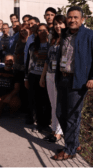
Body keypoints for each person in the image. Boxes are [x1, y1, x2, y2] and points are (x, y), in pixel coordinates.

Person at [52, 6, 93, 160]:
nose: (72, 20)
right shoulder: (64, 34)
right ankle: (74, 143)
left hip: (78, 82)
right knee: (60, 114)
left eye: (76, 17)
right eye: (70, 17)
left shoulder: (90, 35)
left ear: (83, 19)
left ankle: (69, 150)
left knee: (72, 116)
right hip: (62, 79)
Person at [39, 15, 66, 143]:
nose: (58, 26)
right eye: (56, 24)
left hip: (61, 76)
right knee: (53, 104)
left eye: (60, 23)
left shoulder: (68, 39)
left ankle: (59, 133)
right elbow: (47, 60)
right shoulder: (53, 40)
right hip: (50, 74)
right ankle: (54, 130)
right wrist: (43, 76)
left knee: (59, 104)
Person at [25, 24, 51, 131]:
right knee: (36, 100)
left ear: (48, 32)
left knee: (47, 101)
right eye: (40, 30)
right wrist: (26, 78)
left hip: (47, 76)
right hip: (33, 76)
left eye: (44, 30)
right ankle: (40, 123)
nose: (42, 32)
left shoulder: (51, 45)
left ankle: (47, 123)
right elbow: (28, 62)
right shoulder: (32, 46)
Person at [0, 54, 20, 119]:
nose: (8, 62)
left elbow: (17, 88)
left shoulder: (16, 72)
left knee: (15, 103)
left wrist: (9, 96)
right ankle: (1, 108)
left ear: (13, 61)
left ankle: (10, 111)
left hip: (10, 96)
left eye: (10, 61)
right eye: (7, 61)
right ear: (4, 61)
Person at [13, 24, 31, 113]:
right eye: (21, 30)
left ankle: (27, 109)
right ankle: (20, 108)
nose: (23, 32)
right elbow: (15, 53)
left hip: (27, 68)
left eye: (25, 30)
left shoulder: (32, 40)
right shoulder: (19, 41)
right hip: (18, 67)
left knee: (26, 89)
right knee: (19, 88)